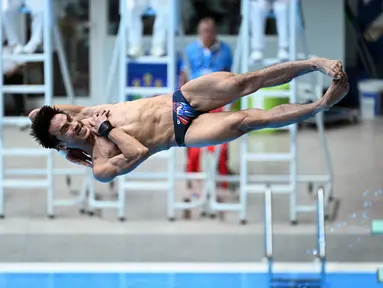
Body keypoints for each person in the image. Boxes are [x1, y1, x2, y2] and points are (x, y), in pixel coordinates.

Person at [29, 57, 349, 183]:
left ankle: (314, 64)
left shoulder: (81, 115)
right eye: (67, 131)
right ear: (60, 138)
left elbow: (34, 115)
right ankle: (320, 105)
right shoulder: (100, 163)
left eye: (68, 120)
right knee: (247, 120)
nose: (74, 124)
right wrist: (106, 130)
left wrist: (63, 150)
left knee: (244, 82)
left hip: (180, 99)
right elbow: (138, 153)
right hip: (183, 132)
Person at [180, 17, 233, 195]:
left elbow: (231, 75)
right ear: (199, 33)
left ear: (215, 32)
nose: (207, 34)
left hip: (218, 99)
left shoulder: (225, 50)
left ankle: (222, 175)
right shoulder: (190, 50)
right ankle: (192, 177)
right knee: (193, 140)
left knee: (222, 141)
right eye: (204, 31)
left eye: (210, 30)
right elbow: (184, 75)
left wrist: (230, 102)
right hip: (195, 100)